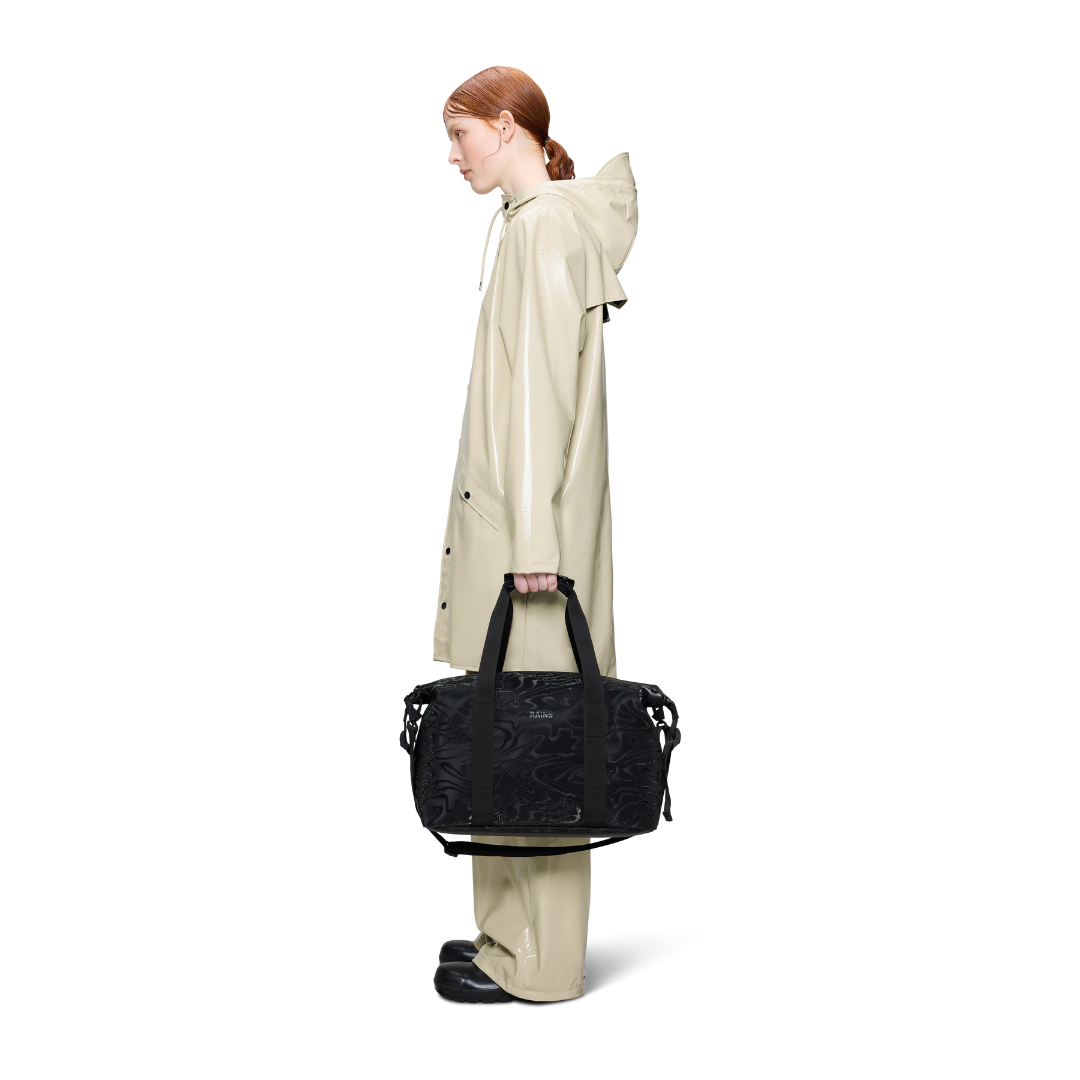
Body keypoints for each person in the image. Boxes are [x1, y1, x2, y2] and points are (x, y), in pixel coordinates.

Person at [430, 66, 637, 1003]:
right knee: (504, 724)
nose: (453, 155)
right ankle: (504, 934)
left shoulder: (545, 230)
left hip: (530, 539)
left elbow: (537, 397)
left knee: (538, 733)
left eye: (461, 134)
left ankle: (541, 964)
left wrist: (533, 542)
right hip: (519, 526)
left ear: (508, 126)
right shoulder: (529, 226)